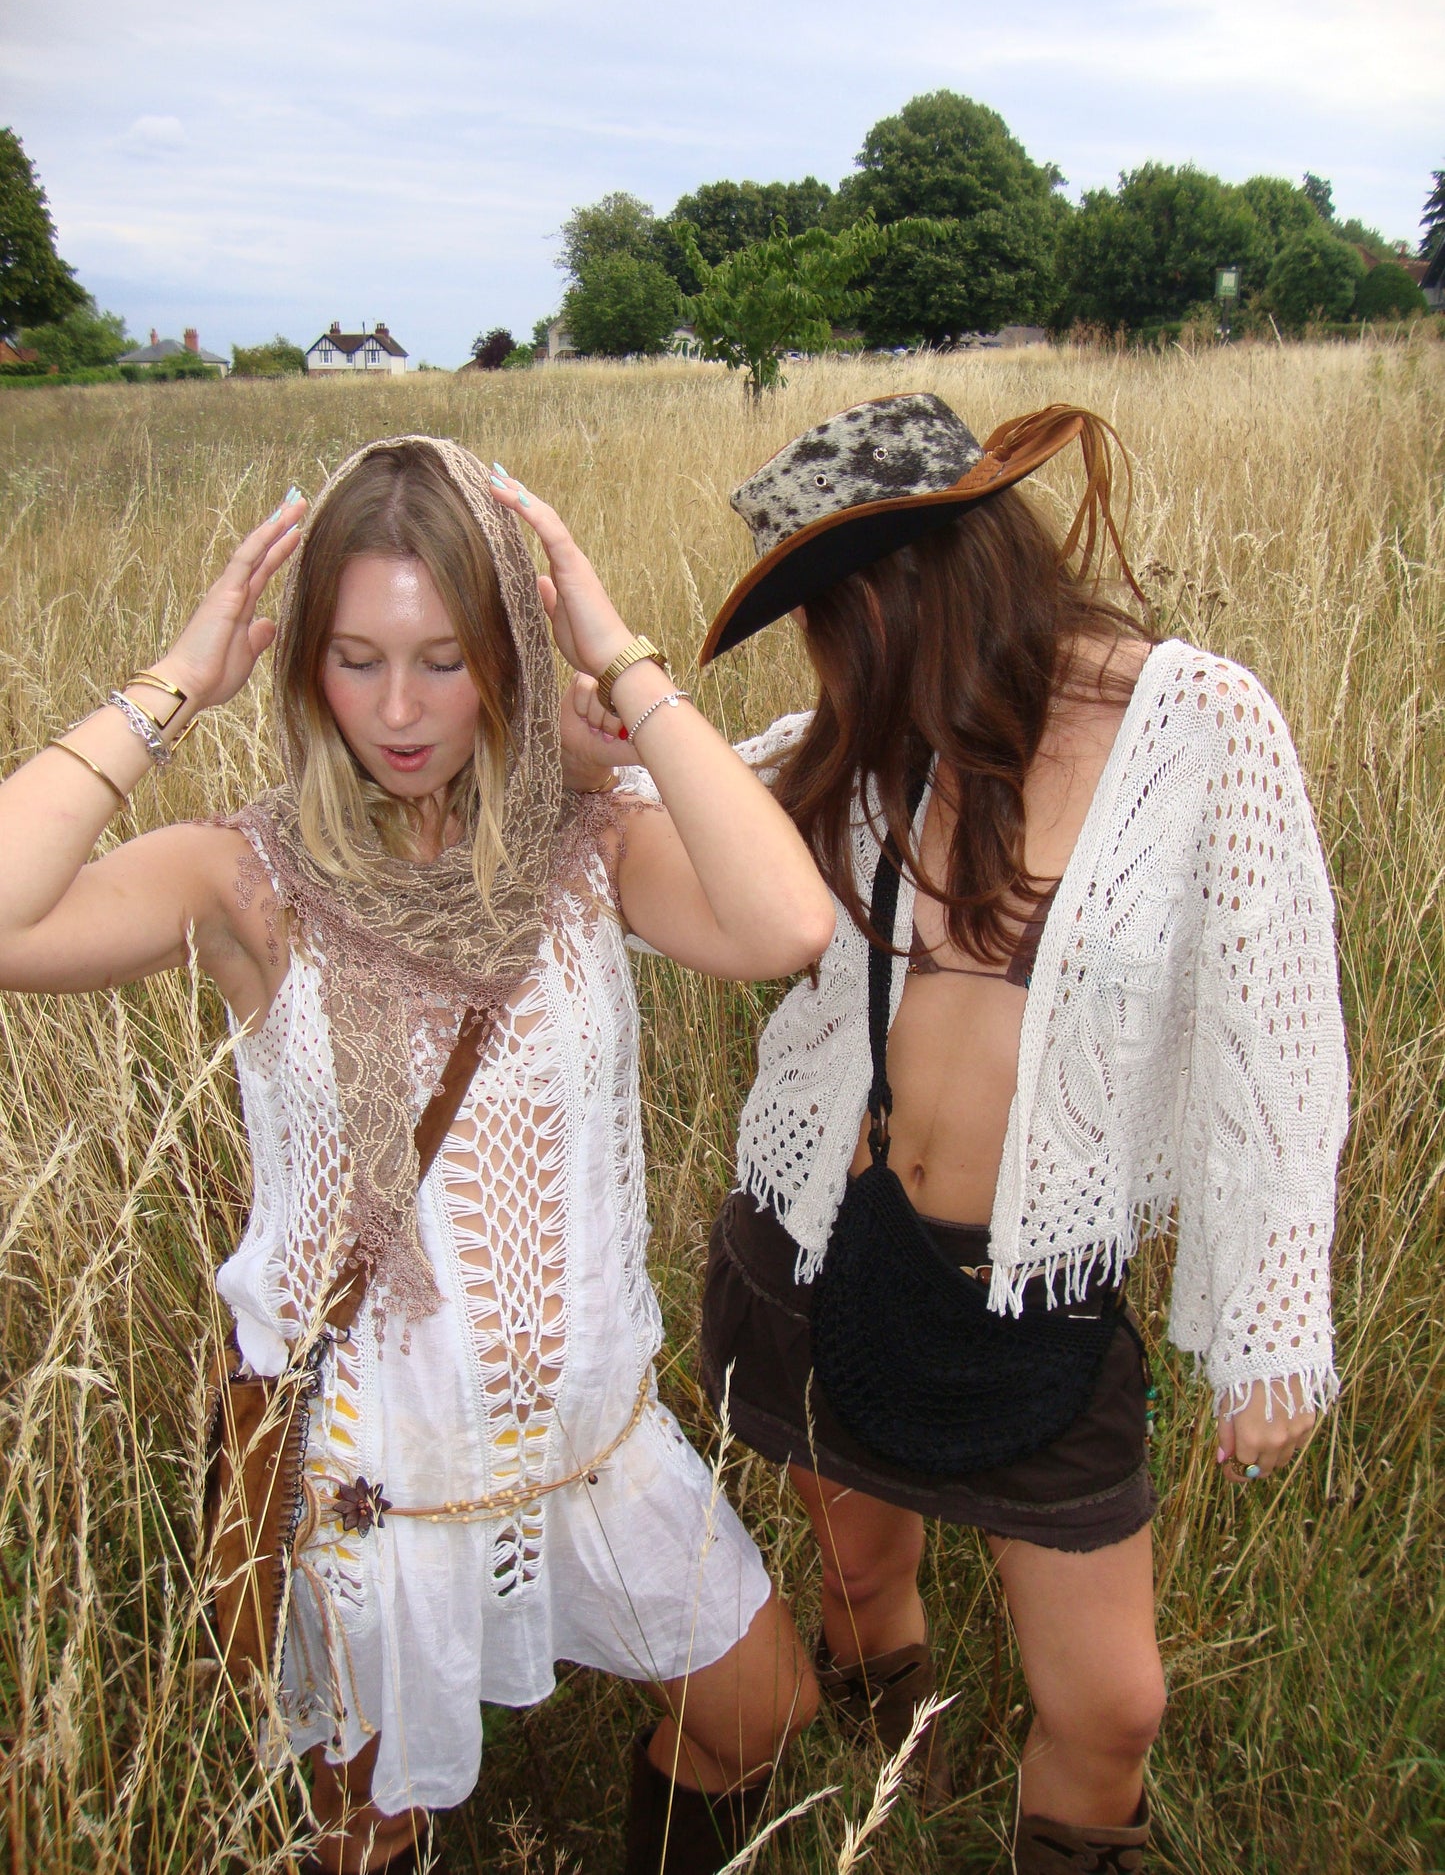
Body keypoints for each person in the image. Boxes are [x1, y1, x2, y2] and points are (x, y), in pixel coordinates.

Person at [0, 436, 833, 1874]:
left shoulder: (588, 849)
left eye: (446, 659)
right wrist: (176, 683)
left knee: (761, 1710)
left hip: (592, 1443)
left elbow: (785, 928)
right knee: (367, 1835)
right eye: (355, 657)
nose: (398, 711)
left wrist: (619, 657)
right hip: (373, 1472)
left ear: (509, 653)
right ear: (302, 664)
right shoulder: (245, 882)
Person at [580, 396, 1349, 1873]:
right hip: (817, 1248)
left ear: (933, 578)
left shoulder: (1201, 727)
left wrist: (1268, 1320)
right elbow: (672, 822)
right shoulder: (855, 734)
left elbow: (1281, 1042)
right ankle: (883, 1765)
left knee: (1113, 1704)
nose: (831, 657)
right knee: (860, 1579)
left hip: (1034, 1304)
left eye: (837, 612)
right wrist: (579, 744)